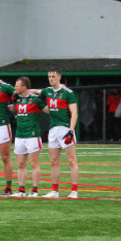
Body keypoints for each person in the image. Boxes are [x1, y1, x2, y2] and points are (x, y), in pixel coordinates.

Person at [40, 68, 79, 198]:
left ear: (59, 77)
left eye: (53, 76)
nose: (51, 79)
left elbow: (74, 113)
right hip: (53, 129)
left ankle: (74, 191)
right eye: (49, 76)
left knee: (72, 160)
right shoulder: (48, 91)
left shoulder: (68, 93)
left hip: (65, 129)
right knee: (53, 161)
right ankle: (55, 191)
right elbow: (36, 92)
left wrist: (71, 131)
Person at [9, 77, 45, 198]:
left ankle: (34, 190)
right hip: (20, 135)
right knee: (20, 164)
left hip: (32, 135)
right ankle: (21, 190)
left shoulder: (35, 99)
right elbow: (14, 108)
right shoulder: (16, 98)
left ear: (24, 87)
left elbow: (47, 109)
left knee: (34, 163)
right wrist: (16, 114)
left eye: (17, 85)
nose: (15, 88)